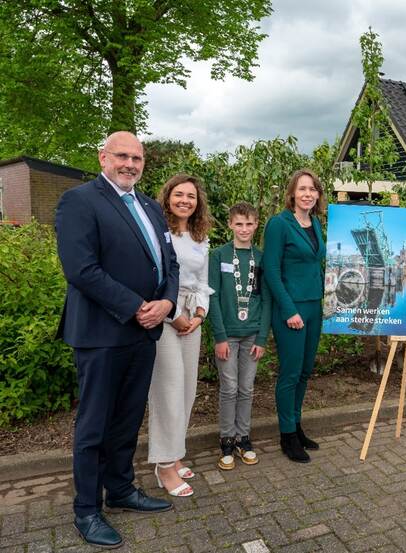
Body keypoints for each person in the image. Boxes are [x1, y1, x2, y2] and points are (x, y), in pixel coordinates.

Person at [55, 131, 178, 548]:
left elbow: (170, 262)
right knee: (94, 425)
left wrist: (166, 302)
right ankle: (87, 510)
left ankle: (121, 490)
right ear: (103, 157)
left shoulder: (149, 206)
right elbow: (81, 268)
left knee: (127, 418)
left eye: (137, 158)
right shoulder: (80, 201)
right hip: (103, 332)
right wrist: (137, 306)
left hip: (144, 332)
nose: (130, 164)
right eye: (122, 156)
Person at [146, 174, 213, 497]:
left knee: (187, 389)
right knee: (167, 391)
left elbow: (203, 280)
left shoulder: (201, 236)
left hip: (192, 316)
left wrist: (200, 314)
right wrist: (174, 316)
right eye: (179, 194)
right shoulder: (158, 232)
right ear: (167, 197)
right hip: (165, 316)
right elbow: (152, 276)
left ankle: (175, 454)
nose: (185, 200)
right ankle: (163, 466)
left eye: (191, 196)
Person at [263, 169, 326, 463]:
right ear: (292, 193)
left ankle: (297, 425)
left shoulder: (314, 222)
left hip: (315, 307)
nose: (308, 194)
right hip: (292, 309)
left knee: (305, 371)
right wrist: (289, 310)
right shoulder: (279, 224)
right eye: (302, 189)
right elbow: (271, 271)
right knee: (289, 374)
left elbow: (316, 264)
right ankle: (287, 436)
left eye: (312, 189)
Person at [208, 201, 271, 470]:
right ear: (230, 224)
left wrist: (262, 339)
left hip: (252, 335)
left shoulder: (261, 258)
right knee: (229, 388)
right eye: (239, 224)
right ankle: (226, 439)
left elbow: (267, 301)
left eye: (249, 224)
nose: (244, 229)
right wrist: (219, 336)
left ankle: (244, 437)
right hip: (228, 337)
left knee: (246, 388)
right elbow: (212, 298)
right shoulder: (218, 255)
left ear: (256, 225)